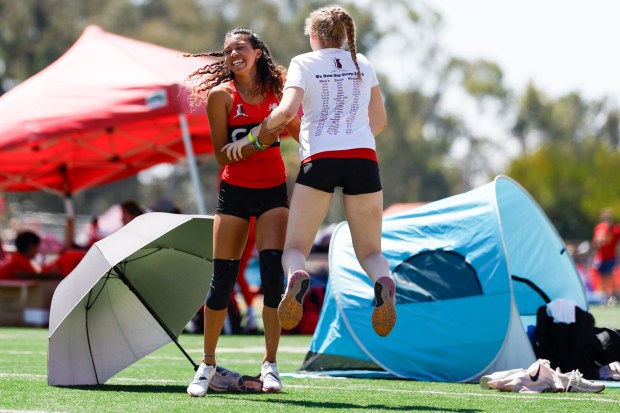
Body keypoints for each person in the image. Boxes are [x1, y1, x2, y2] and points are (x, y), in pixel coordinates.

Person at [224, 5, 396, 337]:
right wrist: (351, 139)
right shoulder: (364, 64)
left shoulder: (304, 62)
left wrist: (251, 136)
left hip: (319, 159)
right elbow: (380, 121)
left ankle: (296, 276)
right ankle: (383, 282)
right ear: (345, 36)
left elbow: (286, 111)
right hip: (363, 160)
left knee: (295, 248)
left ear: (314, 37)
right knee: (372, 252)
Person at [183, 27, 300, 397]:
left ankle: (270, 366)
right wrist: (257, 140)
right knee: (222, 282)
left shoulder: (277, 93)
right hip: (233, 194)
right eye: (227, 50)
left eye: (240, 48)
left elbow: (299, 132)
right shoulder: (221, 96)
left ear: (258, 52)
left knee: (271, 279)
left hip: (273, 192)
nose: (233, 54)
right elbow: (221, 154)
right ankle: (207, 364)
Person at [591, 208, 620, 304]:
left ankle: (614, 297)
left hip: (611, 257)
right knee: (602, 278)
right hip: (601, 257)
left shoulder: (615, 229)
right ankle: (604, 299)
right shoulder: (599, 228)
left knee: (609, 277)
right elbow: (595, 242)